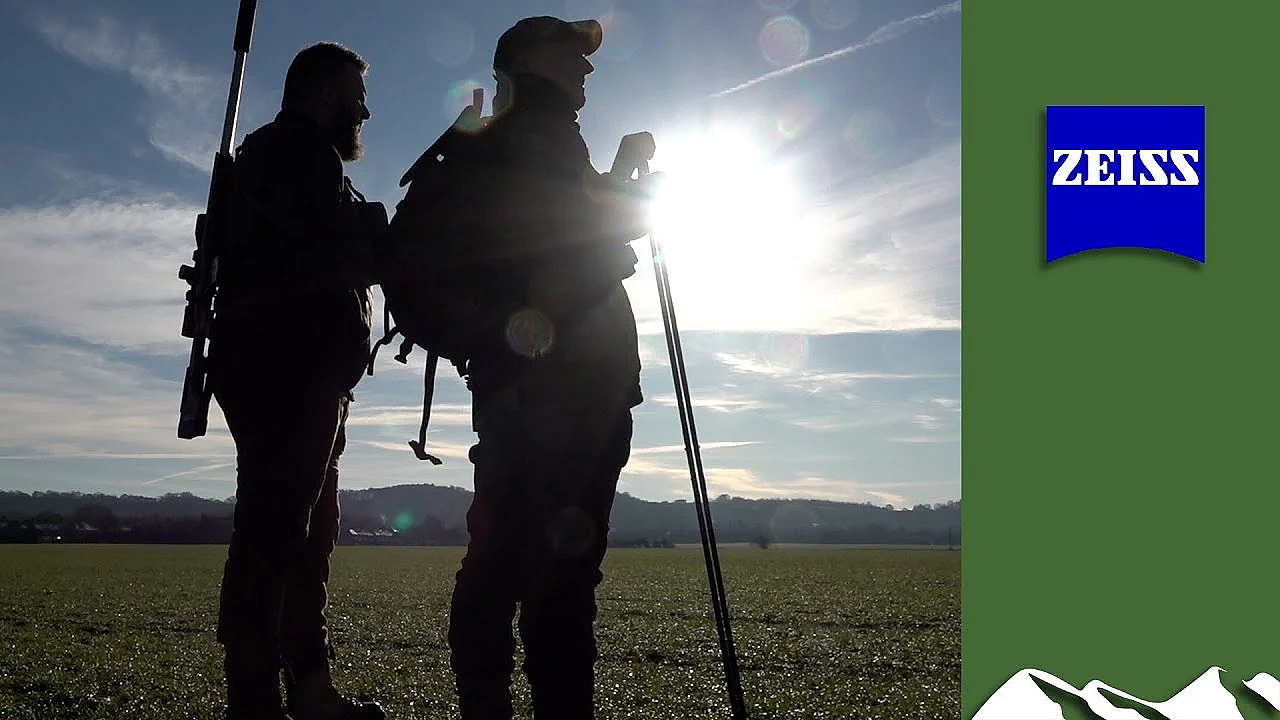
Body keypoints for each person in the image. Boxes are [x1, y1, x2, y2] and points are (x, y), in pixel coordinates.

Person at [428, 16, 660, 720]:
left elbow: (570, 242)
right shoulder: (536, 141)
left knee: (508, 564)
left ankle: (491, 708)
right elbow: (575, 259)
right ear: (529, 60)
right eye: (573, 55)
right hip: (560, 395)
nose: (587, 71)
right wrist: (626, 197)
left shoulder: (530, 141)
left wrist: (619, 179)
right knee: (552, 576)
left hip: (533, 390)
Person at [208, 41, 385, 720]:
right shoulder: (296, 156)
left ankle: (311, 695)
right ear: (320, 93)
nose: (363, 109)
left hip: (302, 372)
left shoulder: (285, 159)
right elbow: (322, 253)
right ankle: (254, 702)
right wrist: (374, 233)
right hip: (287, 370)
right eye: (354, 93)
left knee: (304, 536)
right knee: (275, 534)